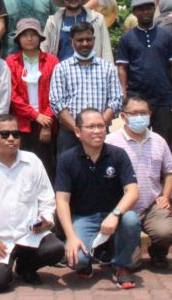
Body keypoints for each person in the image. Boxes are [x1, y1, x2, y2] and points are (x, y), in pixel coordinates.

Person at [0, 114, 65, 292]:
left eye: (16, 134)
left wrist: (46, 218)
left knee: (56, 248)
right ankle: (2, 268)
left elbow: (47, 196)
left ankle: (25, 267)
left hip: (29, 235)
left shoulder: (33, 161)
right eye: (5, 134)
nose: (11, 138)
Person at [55, 109, 140, 289]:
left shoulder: (118, 155)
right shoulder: (67, 159)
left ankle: (121, 266)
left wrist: (116, 214)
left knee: (132, 219)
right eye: (91, 127)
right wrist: (70, 236)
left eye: (101, 126)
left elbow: (132, 191)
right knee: (76, 261)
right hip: (84, 218)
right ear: (78, 132)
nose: (97, 131)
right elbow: (62, 200)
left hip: (115, 217)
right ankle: (90, 259)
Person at [105, 95, 172, 267]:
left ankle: (158, 252)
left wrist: (166, 196)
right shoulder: (110, 142)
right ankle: (128, 246)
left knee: (166, 232)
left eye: (143, 113)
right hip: (123, 207)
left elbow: (170, 171)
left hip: (152, 204)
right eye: (134, 113)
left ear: (150, 114)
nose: (139, 117)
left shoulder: (159, 141)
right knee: (132, 264)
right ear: (123, 116)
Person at [116, 0, 172, 148]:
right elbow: (122, 68)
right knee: (135, 138)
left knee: (163, 141)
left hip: (163, 97)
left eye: (148, 8)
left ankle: (163, 172)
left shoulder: (166, 35)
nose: (145, 12)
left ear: (154, 10)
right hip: (137, 98)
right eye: (141, 9)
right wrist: (124, 94)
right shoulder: (127, 38)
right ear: (134, 13)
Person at [49, 22, 122, 156]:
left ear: (94, 40)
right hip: (70, 134)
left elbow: (115, 101)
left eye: (88, 39)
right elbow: (57, 103)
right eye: (80, 40)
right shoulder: (61, 68)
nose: (84, 43)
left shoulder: (108, 68)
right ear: (72, 42)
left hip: (100, 134)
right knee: (70, 174)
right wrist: (78, 129)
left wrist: (97, 128)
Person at [5, 18, 59, 177]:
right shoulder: (11, 61)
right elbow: (12, 95)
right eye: (24, 35)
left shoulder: (51, 60)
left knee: (46, 164)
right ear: (18, 39)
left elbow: (57, 93)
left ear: (40, 37)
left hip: (47, 122)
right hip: (22, 123)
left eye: (33, 34)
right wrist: (35, 115)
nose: (29, 39)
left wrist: (47, 122)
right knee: (22, 166)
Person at [42, 0, 112, 62]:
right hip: (61, 72)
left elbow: (106, 51)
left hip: (92, 71)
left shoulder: (97, 19)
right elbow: (44, 51)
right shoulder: (53, 22)